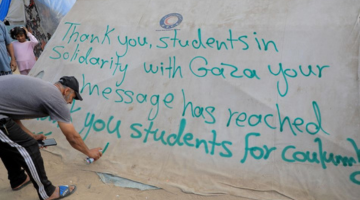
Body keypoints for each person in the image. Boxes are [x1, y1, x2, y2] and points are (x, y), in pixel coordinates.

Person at [0, 75, 103, 200]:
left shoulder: (44, 89)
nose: (70, 102)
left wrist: (32, 135)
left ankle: (18, 179)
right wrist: (89, 152)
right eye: (73, 97)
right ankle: (48, 192)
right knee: (30, 147)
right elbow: (72, 136)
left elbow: (10, 114)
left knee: (8, 143)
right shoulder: (56, 98)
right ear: (67, 91)